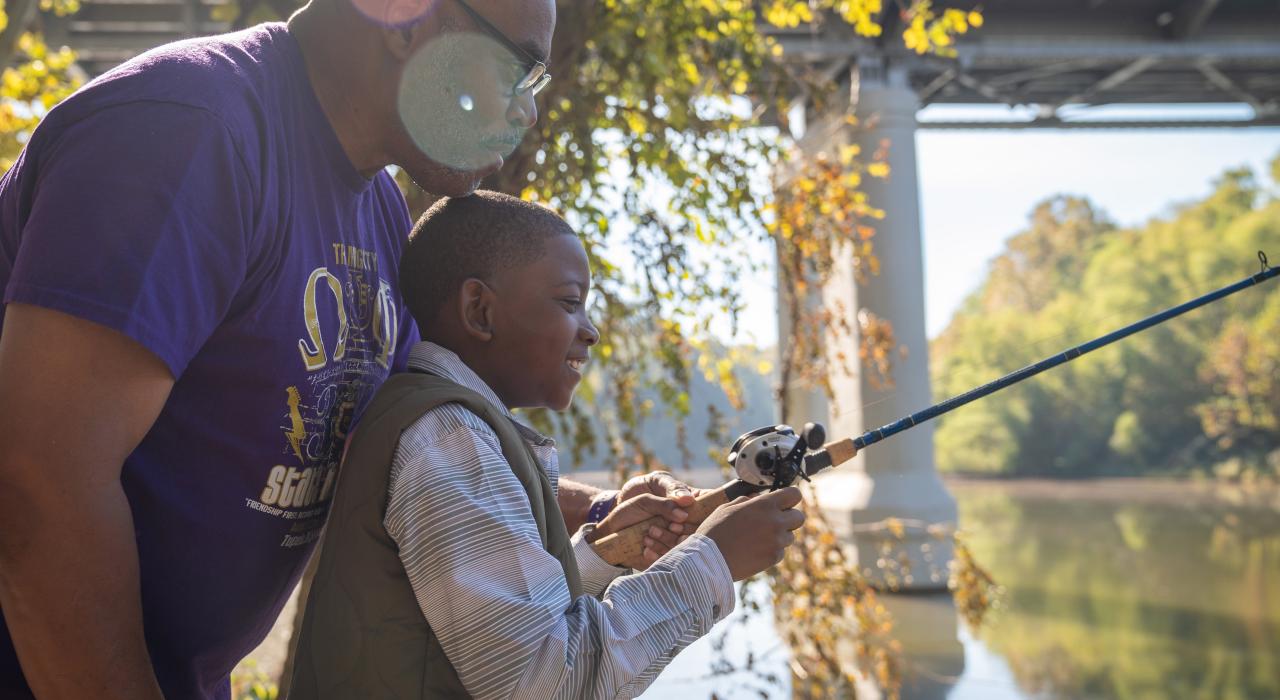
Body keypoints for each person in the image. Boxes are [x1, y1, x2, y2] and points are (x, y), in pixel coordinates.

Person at [0, 1, 695, 698]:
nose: (529, 110)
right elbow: (39, 485)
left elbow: (418, 458)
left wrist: (600, 511)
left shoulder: (378, 210)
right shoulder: (188, 133)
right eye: (519, 70)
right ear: (405, 21)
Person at [288, 191, 806, 699]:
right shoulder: (451, 441)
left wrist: (602, 553)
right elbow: (546, 680)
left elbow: (499, 618)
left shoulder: (452, 427)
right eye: (569, 303)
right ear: (480, 311)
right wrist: (714, 561)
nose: (591, 331)